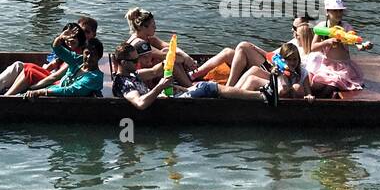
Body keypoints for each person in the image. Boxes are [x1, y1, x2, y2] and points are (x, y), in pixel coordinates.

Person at [111, 42, 276, 107]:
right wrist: (160, 87)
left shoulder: (133, 74)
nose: (137, 63)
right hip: (165, 104)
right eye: (134, 61)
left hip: (167, 96)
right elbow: (140, 103)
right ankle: (262, 96)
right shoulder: (124, 83)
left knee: (203, 86)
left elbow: (155, 71)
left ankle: (260, 93)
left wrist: (176, 58)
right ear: (123, 63)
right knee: (207, 86)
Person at [0, 22, 85, 96]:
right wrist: (60, 37)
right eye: (67, 38)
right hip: (54, 78)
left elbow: (55, 77)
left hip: (58, 84)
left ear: (80, 39)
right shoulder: (66, 52)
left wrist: (32, 87)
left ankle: (6, 97)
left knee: (30, 72)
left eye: (74, 38)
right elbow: (55, 49)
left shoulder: (76, 56)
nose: (69, 40)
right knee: (23, 66)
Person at [226, 15, 316, 86]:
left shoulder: (314, 52)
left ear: (305, 29)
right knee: (232, 51)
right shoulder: (294, 42)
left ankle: (229, 88)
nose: (292, 30)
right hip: (276, 69)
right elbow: (273, 56)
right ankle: (229, 86)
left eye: (295, 28)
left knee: (243, 47)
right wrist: (256, 49)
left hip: (283, 77)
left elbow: (307, 78)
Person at [303, 0, 367, 93]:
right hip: (327, 65)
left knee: (331, 86)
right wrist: (327, 42)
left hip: (343, 67)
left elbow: (356, 42)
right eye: (335, 11)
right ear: (327, 12)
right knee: (316, 86)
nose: (338, 14)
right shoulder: (322, 27)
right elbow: (313, 47)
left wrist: (363, 46)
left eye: (340, 11)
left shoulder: (346, 27)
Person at [24, 36, 105, 98]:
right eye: (87, 53)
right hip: (53, 89)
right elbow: (57, 49)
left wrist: (40, 92)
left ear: (99, 57)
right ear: (83, 53)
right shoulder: (78, 61)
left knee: (28, 72)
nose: (89, 57)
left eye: (93, 54)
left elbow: (70, 90)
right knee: (27, 67)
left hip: (61, 100)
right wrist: (62, 37)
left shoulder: (95, 77)